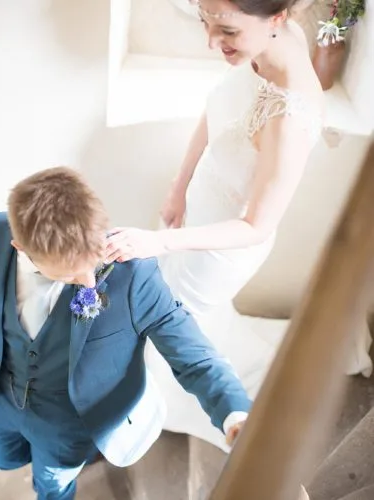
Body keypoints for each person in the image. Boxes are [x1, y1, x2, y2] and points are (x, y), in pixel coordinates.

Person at [105, 0, 373, 451]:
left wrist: (160, 242)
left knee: (175, 327)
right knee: (188, 322)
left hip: (216, 253)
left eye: (227, 30)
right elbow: (218, 108)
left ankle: (189, 403)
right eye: (206, 23)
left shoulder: (290, 118)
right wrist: (179, 184)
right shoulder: (272, 42)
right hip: (192, 221)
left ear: (277, 17)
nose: (213, 41)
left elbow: (256, 225)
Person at [0, 167, 253, 500]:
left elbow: (194, 356)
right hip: (0, 398)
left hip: (67, 423)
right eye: (72, 275)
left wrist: (236, 415)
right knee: (6, 458)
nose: (90, 282)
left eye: (90, 263)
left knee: (54, 485)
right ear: (20, 246)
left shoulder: (134, 274)